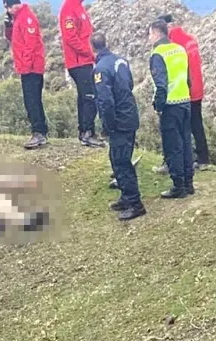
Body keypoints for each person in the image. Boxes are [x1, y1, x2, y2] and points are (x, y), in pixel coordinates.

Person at [92, 32, 145, 221]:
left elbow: (105, 100)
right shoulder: (121, 61)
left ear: (93, 49)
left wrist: (108, 124)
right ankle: (125, 197)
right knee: (117, 158)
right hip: (130, 114)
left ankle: (135, 203)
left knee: (121, 163)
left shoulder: (100, 69)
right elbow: (129, 84)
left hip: (119, 121)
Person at [149, 19, 194, 198]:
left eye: (150, 34)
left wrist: (159, 106)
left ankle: (178, 186)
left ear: (157, 34)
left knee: (172, 146)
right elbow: (187, 77)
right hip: (185, 101)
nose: (149, 38)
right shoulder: (180, 49)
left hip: (170, 104)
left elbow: (161, 85)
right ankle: (189, 183)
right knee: (186, 143)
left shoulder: (158, 54)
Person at [163, 15, 208, 168]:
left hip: (184, 90)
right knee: (197, 124)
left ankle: (176, 160)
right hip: (197, 89)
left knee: (178, 127)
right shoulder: (190, 39)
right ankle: (203, 158)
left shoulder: (173, 44)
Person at [60, 0, 104, 147]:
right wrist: (89, 53)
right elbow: (70, 37)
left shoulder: (78, 7)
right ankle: (88, 133)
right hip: (79, 61)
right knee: (90, 96)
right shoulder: (69, 9)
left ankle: (83, 131)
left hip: (84, 61)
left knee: (84, 97)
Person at [5, 0, 48, 149]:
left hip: (32, 67)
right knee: (33, 100)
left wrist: (25, 66)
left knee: (32, 101)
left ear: (11, 6)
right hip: (27, 66)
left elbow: (30, 46)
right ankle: (40, 132)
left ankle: (38, 133)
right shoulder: (18, 18)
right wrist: (8, 25)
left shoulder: (27, 18)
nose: (8, 11)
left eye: (7, 8)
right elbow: (13, 39)